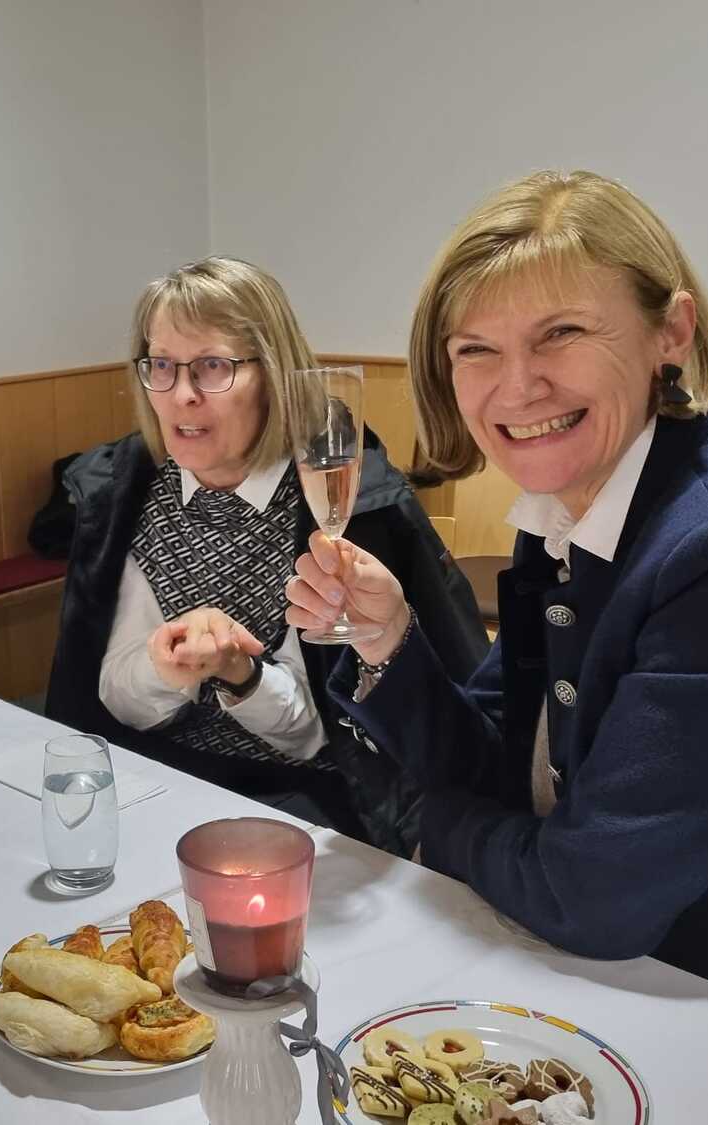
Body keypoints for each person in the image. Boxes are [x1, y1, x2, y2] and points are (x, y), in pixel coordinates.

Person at [286, 170, 708, 1000]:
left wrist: (432, 826)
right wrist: (389, 639)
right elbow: (500, 766)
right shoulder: (569, 502)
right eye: (476, 349)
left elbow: (593, 896)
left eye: (562, 332)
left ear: (671, 331)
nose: (516, 388)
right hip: (589, 971)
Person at [47, 256, 488, 854]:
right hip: (150, 775)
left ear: (275, 375)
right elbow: (108, 697)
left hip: (307, 798)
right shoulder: (123, 495)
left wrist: (242, 674)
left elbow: (326, 737)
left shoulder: (342, 500)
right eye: (162, 366)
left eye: (213, 366)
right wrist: (164, 670)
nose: (182, 396)